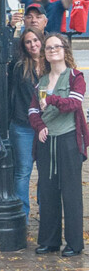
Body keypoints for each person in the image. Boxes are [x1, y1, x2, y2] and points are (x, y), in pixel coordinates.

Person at [29, 33, 87, 256]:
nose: (52, 50)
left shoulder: (74, 76)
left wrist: (51, 99)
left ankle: (74, 243)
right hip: (46, 141)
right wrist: (39, 126)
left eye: (56, 47)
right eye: (48, 48)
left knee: (71, 193)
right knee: (48, 190)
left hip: (69, 139)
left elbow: (74, 103)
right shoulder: (41, 81)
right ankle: (49, 241)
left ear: (65, 50)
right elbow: (33, 110)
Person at [9, 28, 44, 220]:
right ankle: (22, 215)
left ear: (42, 40)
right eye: (28, 42)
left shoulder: (50, 64)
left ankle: (45, 211)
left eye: (35, 40)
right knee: (23, 171)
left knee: (46, 172)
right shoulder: (19, 66)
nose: (33, 45)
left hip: (47, 125)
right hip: (23, 125)